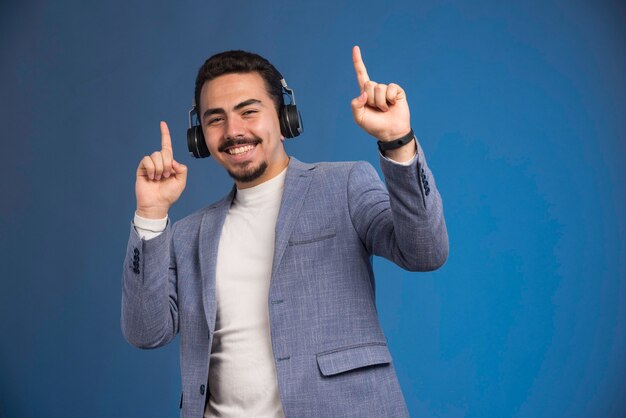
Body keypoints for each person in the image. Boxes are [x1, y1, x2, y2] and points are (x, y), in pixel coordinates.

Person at [122, 46, 448, 418]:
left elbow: (426, 252)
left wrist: (398, 141)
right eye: (215, 119)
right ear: (200, 137)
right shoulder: (187, 234)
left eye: (249, 111)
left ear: (284, 117)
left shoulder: (343, 185)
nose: (233, 131)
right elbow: (146, 332)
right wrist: (150, 214)